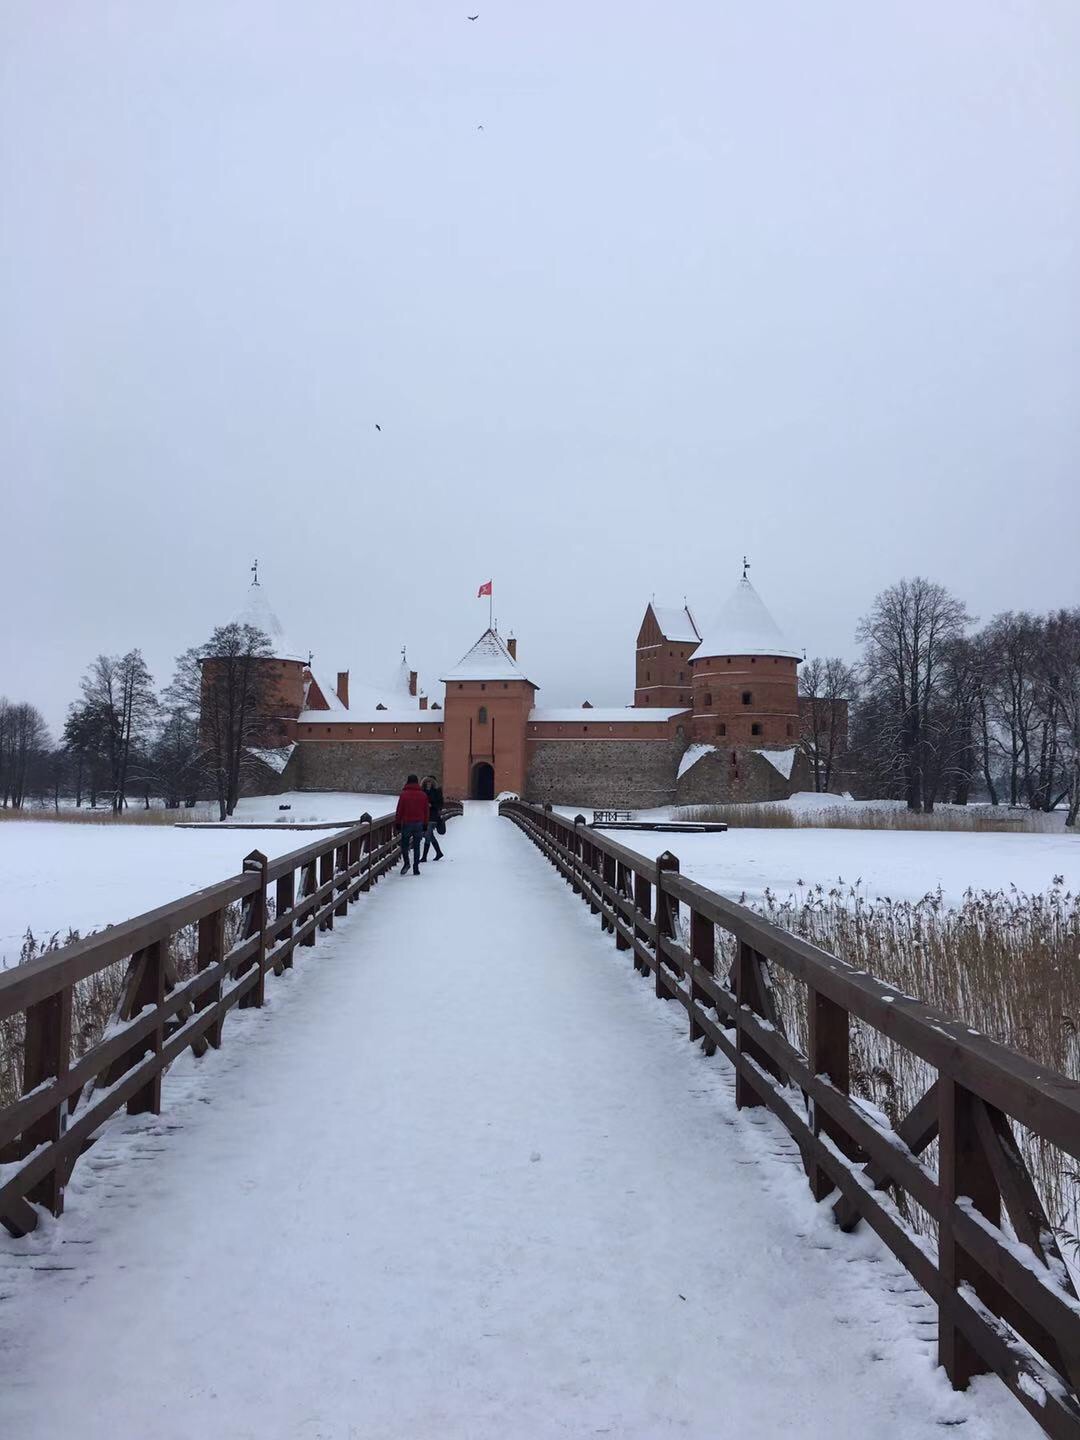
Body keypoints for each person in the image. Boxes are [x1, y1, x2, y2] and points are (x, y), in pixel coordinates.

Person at [395, 774, 429, 876]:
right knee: (417, 846)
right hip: (419, 823)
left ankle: (406, 863)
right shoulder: (423, 795)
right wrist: (425, 823)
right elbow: (426, 811)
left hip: (407, 823)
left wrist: (397, 822)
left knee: (405, 845)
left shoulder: (404, 794)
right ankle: (416, 867)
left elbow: (399, 810)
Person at [420, 775, 445, 862]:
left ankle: (424, 857)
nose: (428, 784)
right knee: (430, 835)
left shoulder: (437, 791)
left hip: (433, 816)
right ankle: (438, 852)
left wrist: (432, 805)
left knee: (427, 835)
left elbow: (440, 804)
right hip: (424, 816)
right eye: (427, 782)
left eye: (430, 782)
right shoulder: (422, 791)